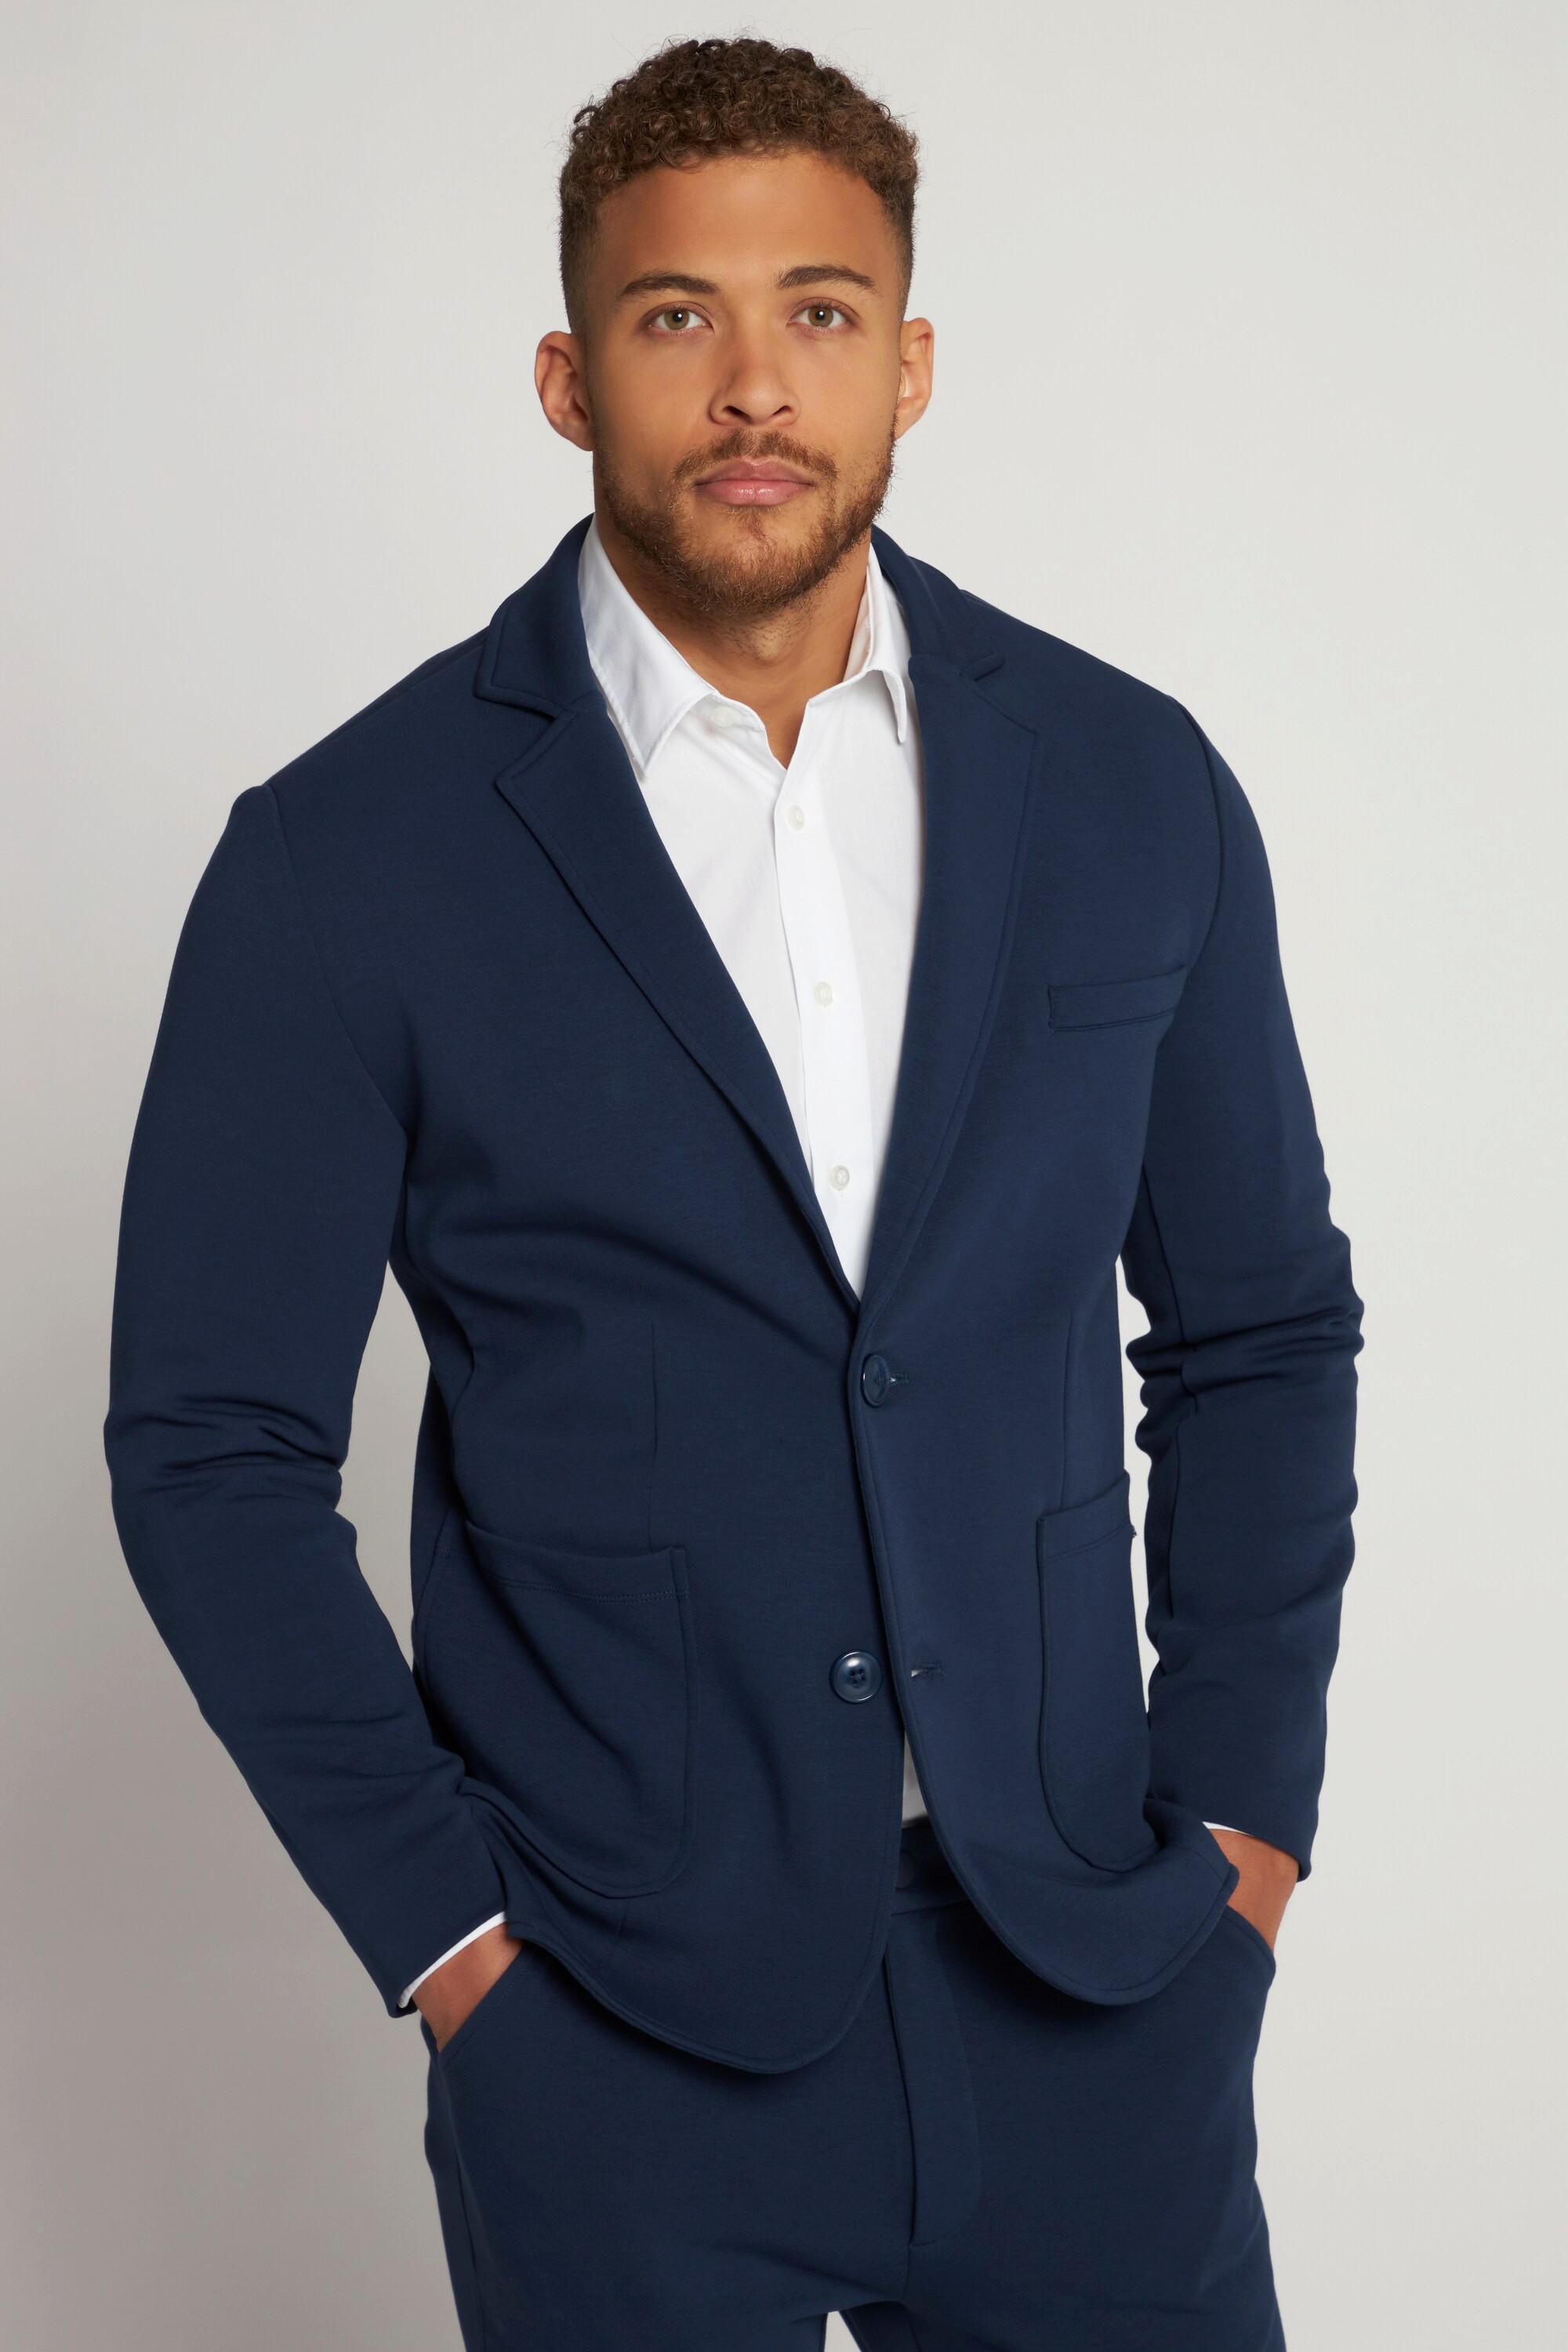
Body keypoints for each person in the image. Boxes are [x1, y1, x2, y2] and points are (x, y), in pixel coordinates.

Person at [103, 34, 1363, 2352]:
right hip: (614, 2035)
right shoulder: (346, 855)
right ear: (571, 378)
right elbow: (211, 1449)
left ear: (910, 364)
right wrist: (453, 1944)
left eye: (821, 311)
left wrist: (1245, 1840)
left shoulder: (1128, 782)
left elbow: (1259, 1332)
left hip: (1095, 1996)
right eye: (679, 315)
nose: (757, 384)